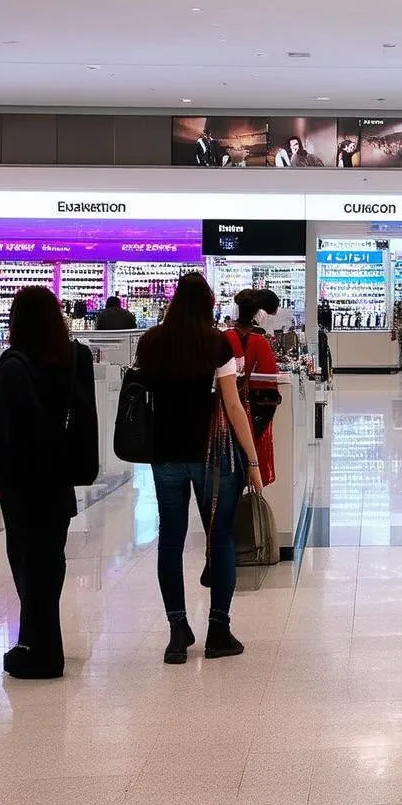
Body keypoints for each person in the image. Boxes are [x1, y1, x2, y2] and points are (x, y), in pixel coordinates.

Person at [134, 272, 263, 664]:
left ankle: (177, 632)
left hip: (165, 456)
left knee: (170, 540)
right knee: (220, 538)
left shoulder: (151, 342)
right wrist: (253, 460)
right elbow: (234, 406)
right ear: (208, 304)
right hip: (213, 456)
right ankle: (218, 630)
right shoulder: (216, 344)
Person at [0, 286, 98, 678]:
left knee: (28, 564)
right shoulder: (75, 358)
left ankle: (43, 651)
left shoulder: (13, 364)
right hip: (59, 480)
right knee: (50, 562)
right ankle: (40, 642)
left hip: (24, 484)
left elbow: (4, 427)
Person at [225, 289, 281, 488]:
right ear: (258, 313)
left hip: (224, 415)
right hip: (253, 413)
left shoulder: (226, 337)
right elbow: (269, 388)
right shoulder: (260, 342)